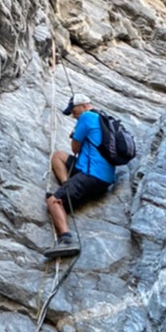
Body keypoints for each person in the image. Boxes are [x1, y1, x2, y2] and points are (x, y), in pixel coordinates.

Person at [43, 96, 115, 259]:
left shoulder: (87, 116)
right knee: (58, 156)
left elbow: (75, 147)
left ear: (83, 106)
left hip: (92, 174)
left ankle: (66, 239)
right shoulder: (102, 117)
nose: (74, 116)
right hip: (101, 174)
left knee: (53, 201)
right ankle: (67, 186)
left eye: (74, 112)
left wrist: (78, 134)